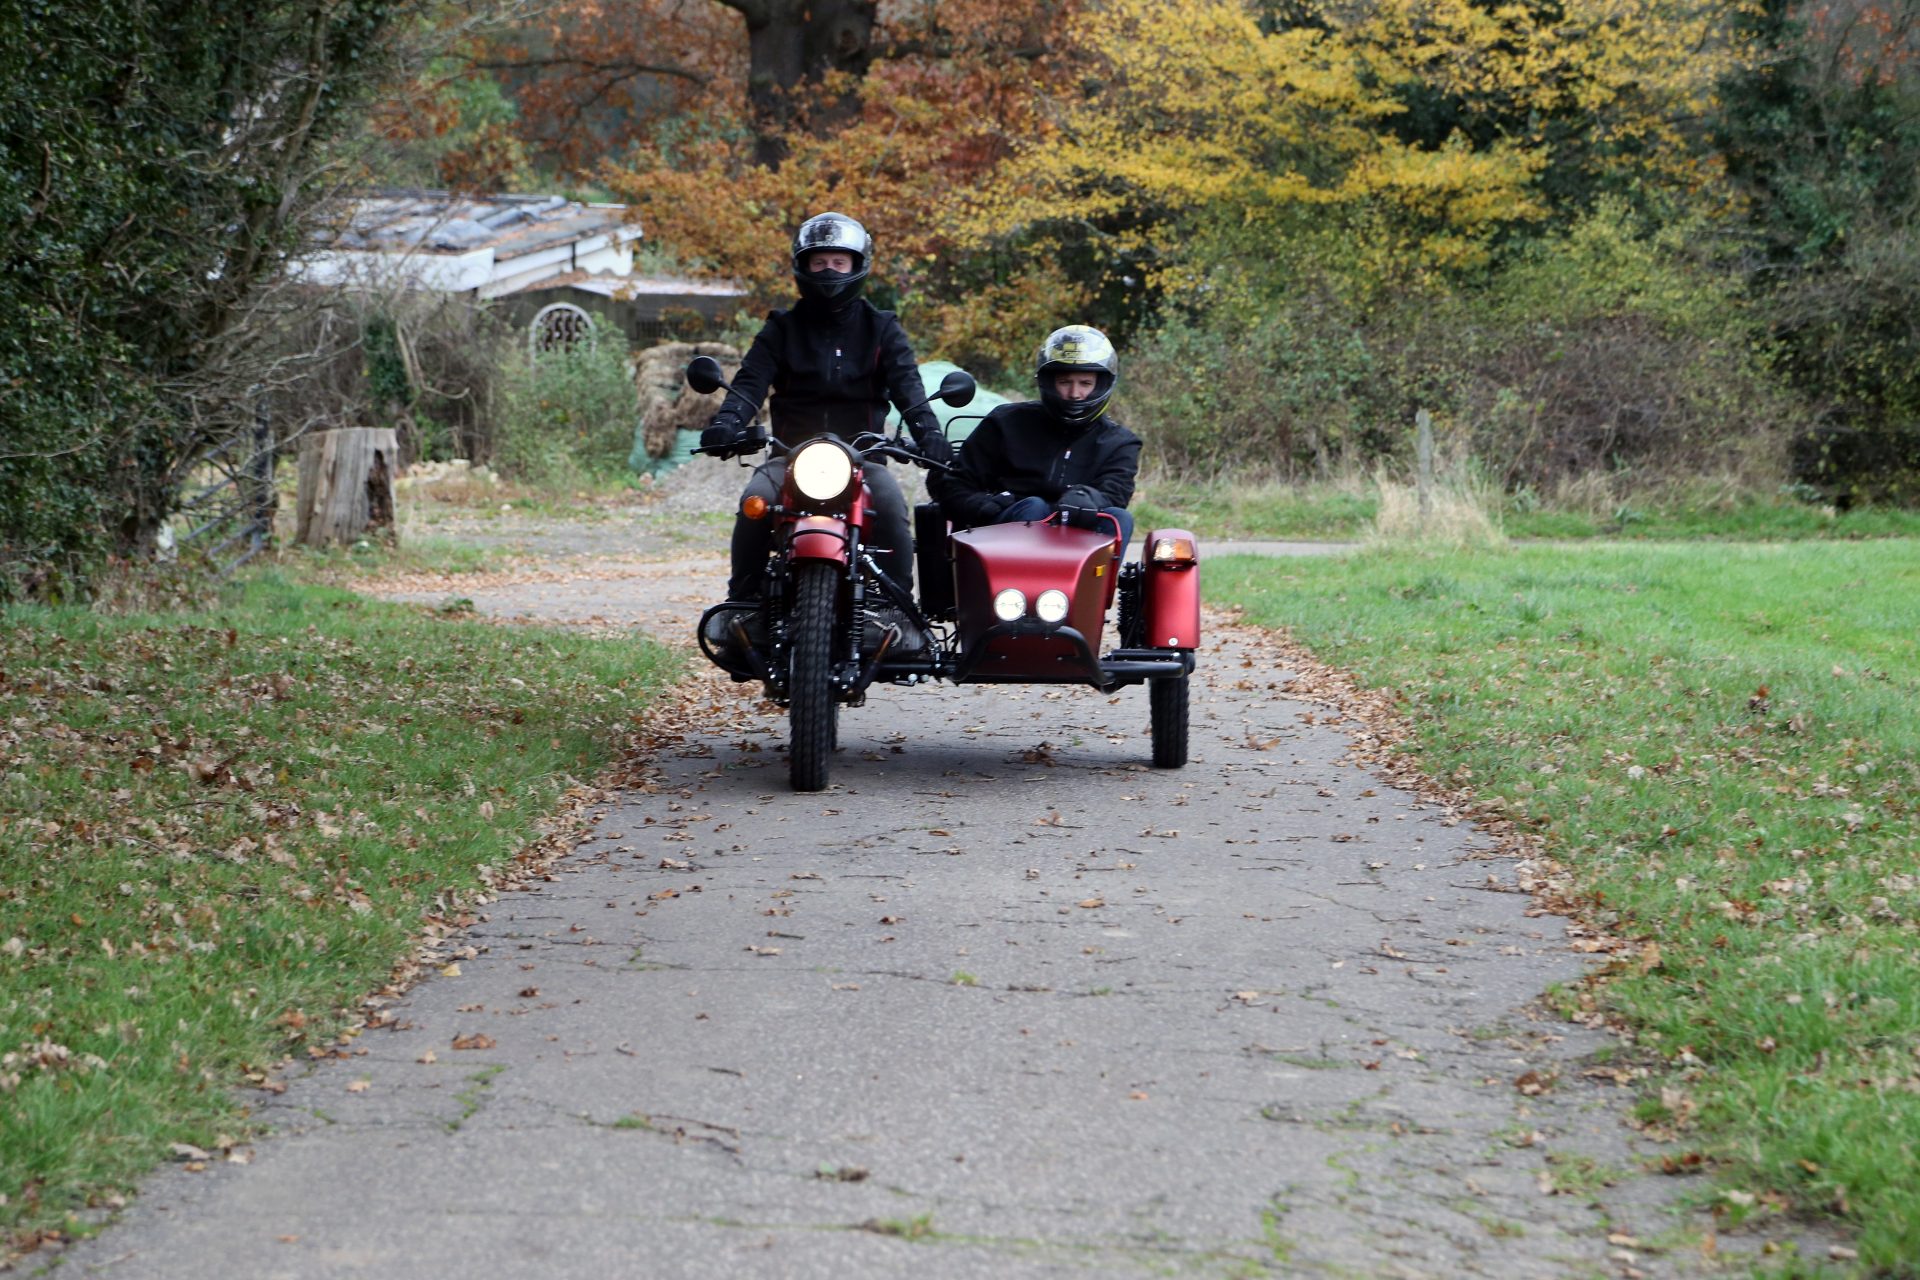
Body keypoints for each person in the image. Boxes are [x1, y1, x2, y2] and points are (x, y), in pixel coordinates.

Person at [700, 212, 952, 608]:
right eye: (819, 262)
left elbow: (909, 387)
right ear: (803, 266)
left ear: (857, 266)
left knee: (890, 506)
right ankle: (741, 606)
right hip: (790, 457)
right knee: (755, 502)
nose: (829, 271)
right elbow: (750, 383)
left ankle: (898, 610)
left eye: (839, 261)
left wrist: (930, 435)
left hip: (864, 457)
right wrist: (728, 422)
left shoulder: (882, 328)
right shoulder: (782, 328)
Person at [932, 324, 1140, 544]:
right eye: (1065, 382)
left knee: (1120, 519)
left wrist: (1087, 498)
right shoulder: (1005, 423)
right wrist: (984, 505)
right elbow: (954, 486)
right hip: (1002, 536)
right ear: (1048, 382)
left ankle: (1088, 570)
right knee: (1034, 507)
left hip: (1076, 536)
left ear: (1101, 385)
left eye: (1085, 383)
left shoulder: (1120, 443)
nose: (1075, 394)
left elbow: (1115, 493)